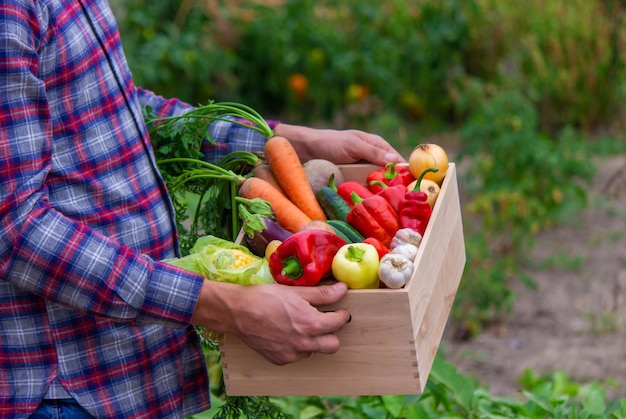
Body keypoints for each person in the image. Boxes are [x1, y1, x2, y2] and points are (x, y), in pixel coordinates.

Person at [0, 0, 405, 418]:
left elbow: (110, 109)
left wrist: (287, 141)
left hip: (130, 366)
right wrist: (221, 305)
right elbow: (15, 228)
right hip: (67, 387)